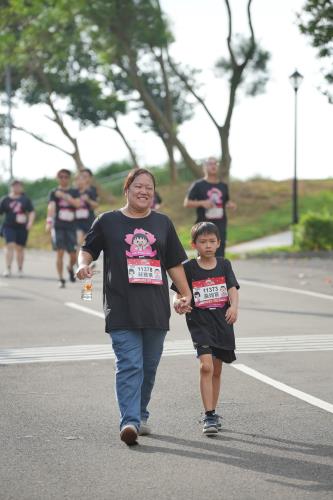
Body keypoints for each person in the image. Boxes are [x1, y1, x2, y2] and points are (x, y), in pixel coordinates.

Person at [76, 168, 192, 446]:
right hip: (121, 306)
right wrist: (82, 265)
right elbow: (88, 248)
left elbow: (174, 262)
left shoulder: (162, 223)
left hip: (154, 308)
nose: (144, 191)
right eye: (138, 186)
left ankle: (139, 413)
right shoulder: (108, 221)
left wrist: (185, 293)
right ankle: (129, 422)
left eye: (149, 188)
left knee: (148, 367)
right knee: (129, 364)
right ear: (126, 189)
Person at [172, 221, 239, 436]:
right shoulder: (189, 268)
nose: (208, 245)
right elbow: (179, 290)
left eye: (212, 241)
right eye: (203, 241)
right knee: (206, 367)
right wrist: (177, 302)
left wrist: (234, 307)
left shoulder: (224, 264)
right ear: (194, 244)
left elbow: (232, 288)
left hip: (223, 323)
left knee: (217, 370)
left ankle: (213, 412)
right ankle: (209, 415)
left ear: (219, 243)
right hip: (200, 323)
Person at [184, 157, 236, 257]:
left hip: (220, 226)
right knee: (204, 256)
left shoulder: (223, 186)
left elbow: (226, 201)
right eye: (210, 164)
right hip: (203, 226)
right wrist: (202, 203)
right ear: (204, 167)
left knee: (220, 255)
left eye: (215, 163)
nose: (213, 166)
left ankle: (220, 273)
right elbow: (187, 203)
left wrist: (230, 204)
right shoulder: (198, 185)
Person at [46, 169, 80, 288]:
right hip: (58, 225)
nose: (63, 179)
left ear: (69, 178)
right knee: (59, 252)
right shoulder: (53, 192)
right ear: (57, 178)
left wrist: (64, 196)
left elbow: (77, 204)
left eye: (66, 176)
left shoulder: (74, 191)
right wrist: (49, 221)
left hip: (71, 225)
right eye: (61, 176)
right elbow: (51, 206)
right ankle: (61, 279)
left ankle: (70, 267)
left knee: (73, 255)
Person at [0, 180, 35, 277]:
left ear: (22, 187)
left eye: (19, 186)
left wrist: (30, 222)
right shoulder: (5, 199)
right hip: (8, 226)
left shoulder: (25, 199)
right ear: (11, 187)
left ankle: (20, 269)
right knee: (9, 245)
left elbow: (31, 212)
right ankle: (8, 268)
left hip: (22, 227)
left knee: (20, 248)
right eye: (14, 186)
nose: (16, 188)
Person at [74, 172, 99, 246]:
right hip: (77, 222)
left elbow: (96, 205)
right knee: (79, 241)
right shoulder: (73, 193)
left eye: (81, 179)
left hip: (89, 220)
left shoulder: (90, 192)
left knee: (87, 243)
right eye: (77, 180)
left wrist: (88, 200)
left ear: (85, 181)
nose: (79, 181)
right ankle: (78, 257)